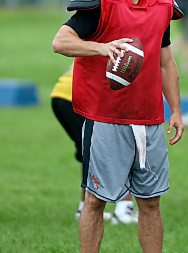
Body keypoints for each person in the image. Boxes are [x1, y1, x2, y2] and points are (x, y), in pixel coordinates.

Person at [52, 0, 184, 253]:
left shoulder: (162, 3)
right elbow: (61, 42)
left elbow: (166, 63)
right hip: (104, 118)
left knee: (151, 203)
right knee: (94, 201)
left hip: (149, 119)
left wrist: (176, 110)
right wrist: (103, 47)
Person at [50, 62, 139, 224]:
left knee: (90, 154)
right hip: (78, 98)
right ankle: (123, 209)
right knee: (119, 149)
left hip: (61, 95)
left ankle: (84, 208)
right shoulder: (131, 46)